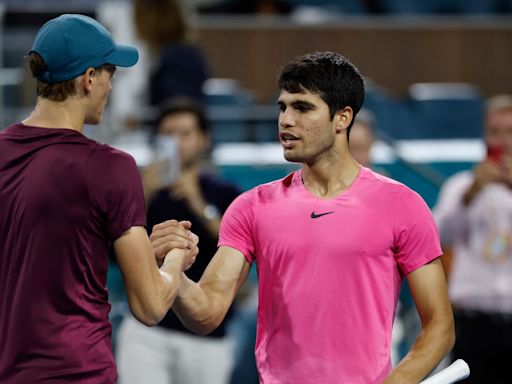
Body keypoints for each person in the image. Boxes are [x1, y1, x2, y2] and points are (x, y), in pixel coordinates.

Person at [152, 51, 455, 383]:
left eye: (302, 107)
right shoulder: (251, 207)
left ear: (343, 118)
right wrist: (175, 275)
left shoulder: (402, 204)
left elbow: (439, 328)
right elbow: (206, 313)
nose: (285, 120)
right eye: (283, 107)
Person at [0, 14, 198, 383]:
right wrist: (175, 258)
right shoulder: (111, 167)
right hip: (77, 372)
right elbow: (151, 305)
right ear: (90, 79)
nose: (110, 86)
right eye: (110, 74)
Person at [116, 98, 240, 384]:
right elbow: (114, 252)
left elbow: (238, 250)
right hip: (147, 330)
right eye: (168, 134)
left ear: (203, 139)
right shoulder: (139, 191)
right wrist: (141, 195)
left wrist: (199, 204)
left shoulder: (223, 192)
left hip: (206, 336)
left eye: (185, 133)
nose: (176, 141)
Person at [433, 94, 512, 384]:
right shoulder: (461, 186)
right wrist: (470, 195)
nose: (502, 141)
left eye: (510, 132)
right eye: (495, 132)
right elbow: (437, 237)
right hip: (473, 322)